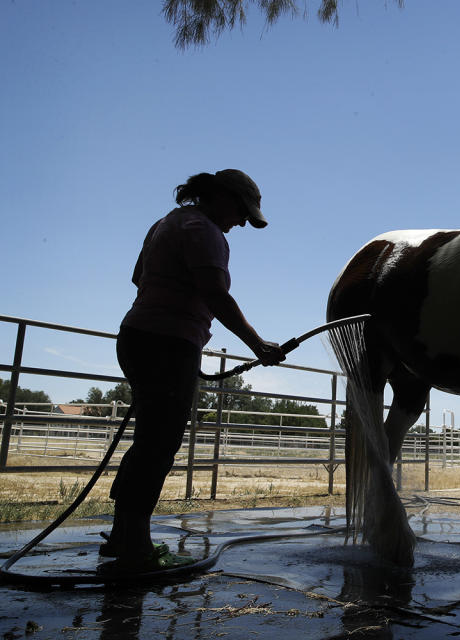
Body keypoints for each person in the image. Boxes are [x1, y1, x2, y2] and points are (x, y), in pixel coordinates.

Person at [99, 169, 285, 573]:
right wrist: (258, 344)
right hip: (167, 344)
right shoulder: (205, 230)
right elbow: (216, 293)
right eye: (241, 213)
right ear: (221, 197)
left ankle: (122, 538)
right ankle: (136, 549)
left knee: (150, 440)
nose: (239, 224)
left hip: (138, 335)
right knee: (158, 444)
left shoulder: (167, 222)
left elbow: (138, 277)